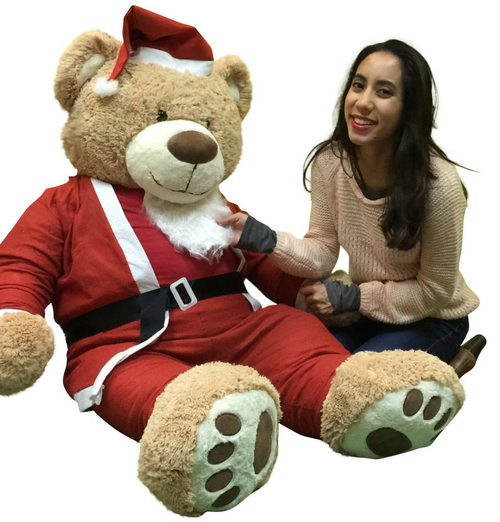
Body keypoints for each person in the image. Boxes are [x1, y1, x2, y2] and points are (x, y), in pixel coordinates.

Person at [218, 39, 479, 363]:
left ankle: (438, 378)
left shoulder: (440, 187)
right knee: (298, 362)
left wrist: (353, 297)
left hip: (434, 318)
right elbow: (322, 253)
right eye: (358, 85)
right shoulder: (330, 162)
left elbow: (435, 291)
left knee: (351, 380)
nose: (363, 102)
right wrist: (265, 238)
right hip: (367, 312)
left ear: (409, 108)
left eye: (384, 92)